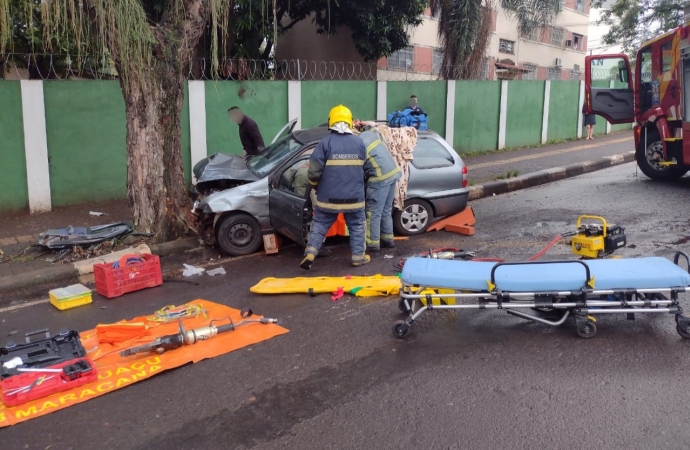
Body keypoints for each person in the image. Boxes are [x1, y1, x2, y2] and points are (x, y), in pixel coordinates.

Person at [300, 105, 369, 270]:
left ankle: (311, 252)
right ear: (350, 122)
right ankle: (358, 257)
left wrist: (315, 186)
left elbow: (314, 172)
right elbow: (366, 170)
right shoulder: (360, 143)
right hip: (355, 198)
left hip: (328, 198)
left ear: (331, 121)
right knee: (357, 226)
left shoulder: (325, 143)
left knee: (320, 223)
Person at [360, 129, 402, 252]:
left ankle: (372, 243)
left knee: (373, 213)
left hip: (379, 178)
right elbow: (375, 130)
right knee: (386, 210)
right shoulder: (370, 134)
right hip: (393, 174)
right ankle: (388, 239)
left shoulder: (356, 144)